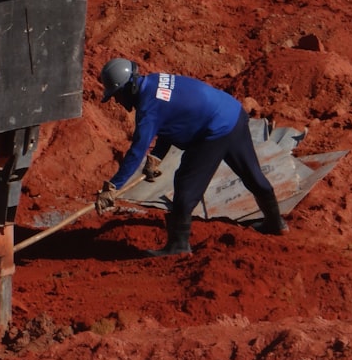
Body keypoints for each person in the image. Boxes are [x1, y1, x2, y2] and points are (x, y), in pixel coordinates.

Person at [94, 57, 288, 257]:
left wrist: (113, 187)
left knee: (185, 184)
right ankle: (276, 223)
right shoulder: (155, 81)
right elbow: (170, 119)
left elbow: (136, 152)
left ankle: (178, 245)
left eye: (117, 95)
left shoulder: (148, 108)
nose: (117, 101)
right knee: (251, 174)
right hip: (232, 113)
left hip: (214, 131)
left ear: (129, 87)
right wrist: (157, 157)